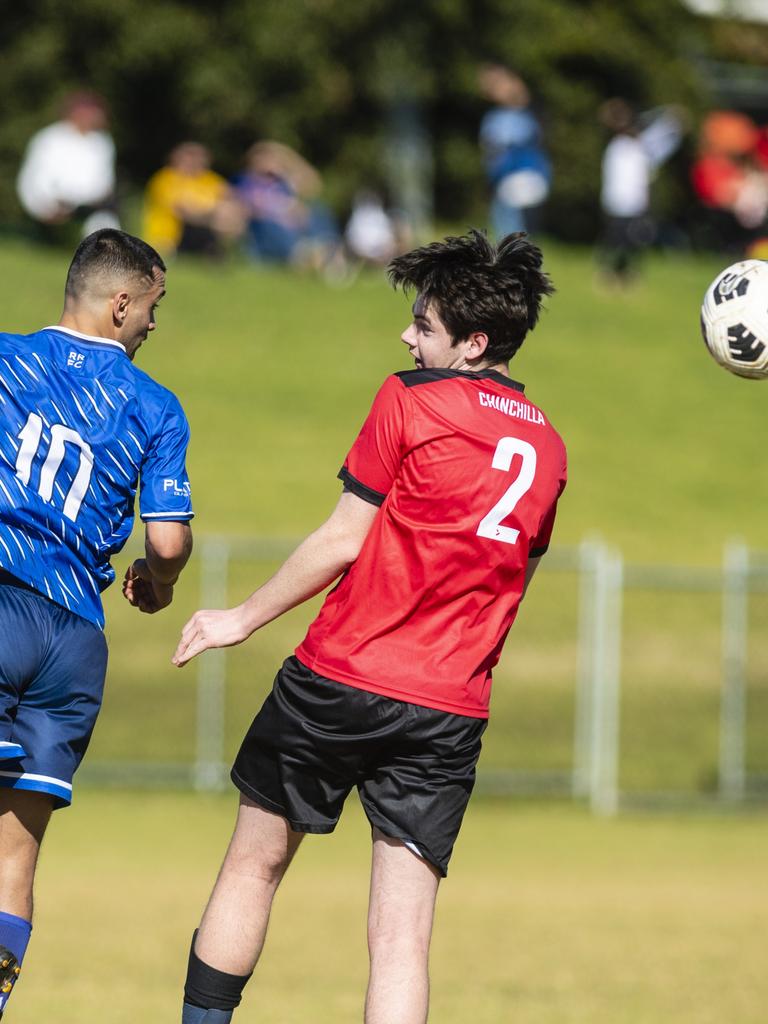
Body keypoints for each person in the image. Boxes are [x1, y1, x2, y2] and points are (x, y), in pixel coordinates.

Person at [172, 229, 567, 1024]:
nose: (406, 336)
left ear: (472, 343)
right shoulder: (550, 448)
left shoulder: (410, 399)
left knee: (254, 868)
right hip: (448, 710)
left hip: (341, 675)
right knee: (401, 940)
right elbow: (510, 577)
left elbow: (343, 537)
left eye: (422, 325)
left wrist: (239, 619)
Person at [0, 229, 194, 1018]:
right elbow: (168, 539)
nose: (154, 323)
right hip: (74, 639)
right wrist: (159, 583)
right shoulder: (155, 405)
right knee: (14, 854)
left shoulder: (8, 359)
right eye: (153, 307)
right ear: (120, 304)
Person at [598, 98, 684, 285]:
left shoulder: (638, 148)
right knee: (615, 240)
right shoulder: (619, 147)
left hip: (635, 203)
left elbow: (662, 142)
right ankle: (608, 271)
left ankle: (628, 273)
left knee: (635, 241)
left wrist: (672, 123)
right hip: (618, 202)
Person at [16, 91, 120, 243]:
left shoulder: (103, 142)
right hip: (51, 203)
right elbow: (35, 178)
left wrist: (87, 199)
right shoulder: (49, 138)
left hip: (88, 204)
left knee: (107, 216)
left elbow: (103, 182)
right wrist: (48, 204)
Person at [478, 65, 551, 238]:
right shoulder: (529, 118)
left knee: (510, 239)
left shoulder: (503, 120)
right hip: (532, 178)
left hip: (513, 180)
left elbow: (498, 156)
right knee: (522, 237)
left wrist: (493, 177)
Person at [142, 142, 245, 258]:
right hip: (173, 233)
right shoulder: (166, 178)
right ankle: (217, 250)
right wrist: (213, 214)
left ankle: (224, 249)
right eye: (190, 156)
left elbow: (234, 200)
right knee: (221, 215)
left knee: (229, 211)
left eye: (200, 157)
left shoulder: (209, 179)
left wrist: (226, 213)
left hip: (206, 225)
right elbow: (183, 210)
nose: (196, 161)